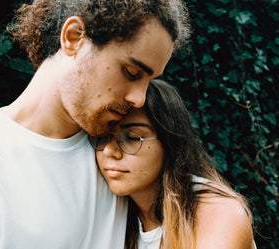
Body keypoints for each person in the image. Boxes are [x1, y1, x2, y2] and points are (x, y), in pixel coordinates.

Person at [0, 1, 190, 249]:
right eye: (132, 73)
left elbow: (196, 200)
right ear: (74, 37)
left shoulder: (127, 153)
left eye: (149, 81)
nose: (139, 99)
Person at [90, 79, 256, 249]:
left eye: (132, 137)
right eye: (103, 136)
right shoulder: (114, 213)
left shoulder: (219, 213)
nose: (109, 151)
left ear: (170, 142)